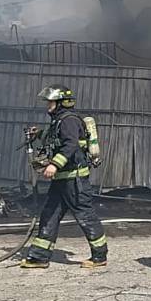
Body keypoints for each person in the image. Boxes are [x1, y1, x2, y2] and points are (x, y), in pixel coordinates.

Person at [20, 84, 108, 269]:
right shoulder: (59, 121)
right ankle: (39, 257)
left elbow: (70, 145)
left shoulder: (69, 120)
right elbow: (55, 140)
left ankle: (99, 256)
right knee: (49, 215)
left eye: (50, 102)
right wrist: (39, 134)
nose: (48, 105)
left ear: (60, 103)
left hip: (75, 180)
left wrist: (54, 164)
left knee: (85, 216)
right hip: (62, 179)